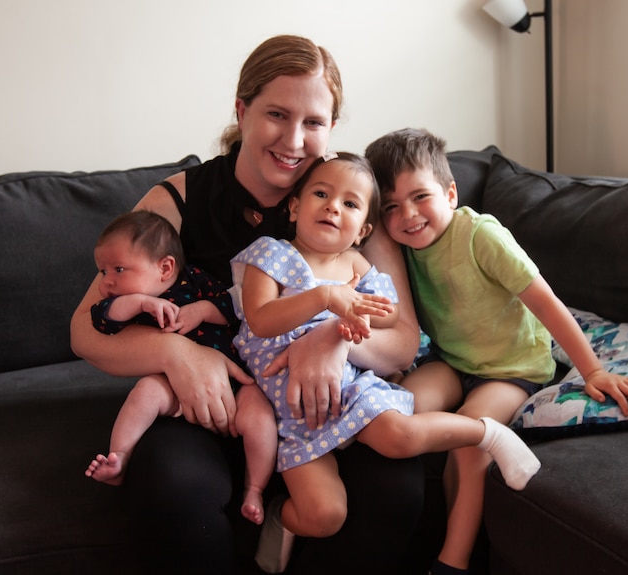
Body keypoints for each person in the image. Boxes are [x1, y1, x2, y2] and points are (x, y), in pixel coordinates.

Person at [69, 35, 426, 575]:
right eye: (277, 115)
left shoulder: (345, 200)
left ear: (331, 128)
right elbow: (84, 331)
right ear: (242, 110)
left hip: (321, 408)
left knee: (399, 489)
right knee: (173, 488)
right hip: (211, 410)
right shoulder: (177, 199)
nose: (294, 139)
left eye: (314, 122)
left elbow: (402, 343)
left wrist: (332, 341)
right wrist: (176, 354)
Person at [229, 152, 541, 573]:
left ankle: (488, 435)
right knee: (324, 515)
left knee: (399, 437)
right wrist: (325, 297)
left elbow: (391, 312)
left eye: (351, 204)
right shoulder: (270, 255)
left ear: (363, 231)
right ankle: (280, 520)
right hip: (293, 414)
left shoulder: (356, 264)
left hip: (351, 390)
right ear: (295, 206)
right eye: (321, 194)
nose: (334, 206)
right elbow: (262, 319)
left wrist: (354, 308)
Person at [365, 127, 628, 575]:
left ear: (451, 193)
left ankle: (452, 561)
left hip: (511, 368)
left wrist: (591, 371)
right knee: (397, 410)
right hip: (451, 361)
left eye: (421, 196)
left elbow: (545, 302)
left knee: (467, 438)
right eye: (392, 207)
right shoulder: (399, 251)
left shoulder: (480, 235)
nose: (409, 215)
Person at [82, 210, 277, 525]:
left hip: (235, 380)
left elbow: (234, 308)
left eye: (118, 269)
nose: (107, 282)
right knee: (145, 392)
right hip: (171, 384)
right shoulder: (130, 300)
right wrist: (142, 303)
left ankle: (254, 488)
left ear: (165, 267)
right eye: (102, 271)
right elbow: (102, 317)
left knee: (261, 417)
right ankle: (119, 457)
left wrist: (201, 310)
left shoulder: (195, 280)